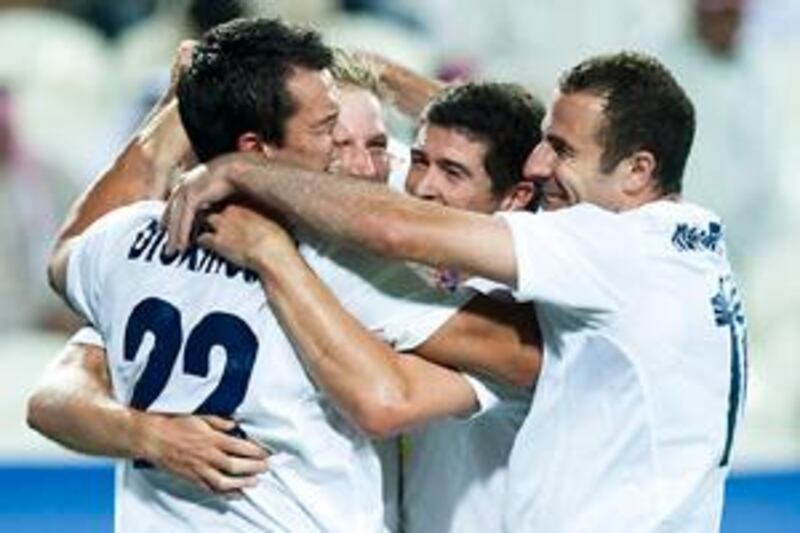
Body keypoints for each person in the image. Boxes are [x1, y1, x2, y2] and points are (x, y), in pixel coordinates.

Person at [163, 51, 747, 531]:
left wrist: (239, 172)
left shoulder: (607, 247)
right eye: (543, 141)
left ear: (638, 171)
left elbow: (394, 228)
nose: (540, 165)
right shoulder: (686, 242)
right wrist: (381, 78)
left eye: (562, 150)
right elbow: (459, 154)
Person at [38, 17, 540, 532]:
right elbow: (525, 356)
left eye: (377, 146)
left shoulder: (135, 237)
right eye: (329, 133)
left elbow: (67, 254)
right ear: (256, 150)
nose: (355, 162)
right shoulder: (341, 262)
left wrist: (179, 107)